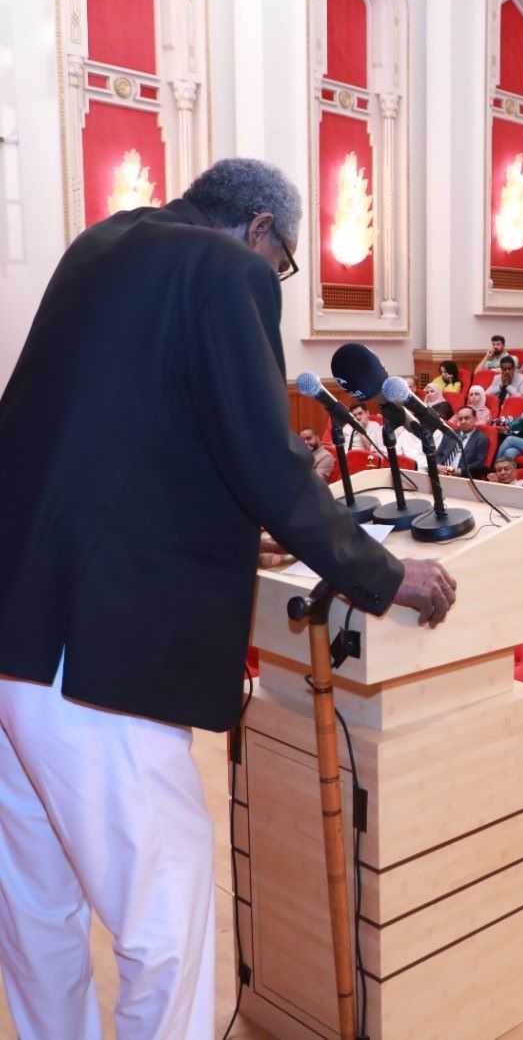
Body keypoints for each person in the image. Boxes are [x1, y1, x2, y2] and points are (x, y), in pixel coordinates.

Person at [0, 158, 454, 1040]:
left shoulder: (101, 245)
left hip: (16, 627)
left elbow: (130, 446)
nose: (274, 275)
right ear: (259, 230)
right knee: (164, 917)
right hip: (96, 654)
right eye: (283, 262)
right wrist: (381, 573)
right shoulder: (227, 268)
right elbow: (259, 449)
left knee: (38, 903)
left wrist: (237, 536)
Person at [437, 406, 491, 477]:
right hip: (440, 473)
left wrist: (459, 471)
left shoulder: (481, 439)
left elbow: (479, 464)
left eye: (467, 418)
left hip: (461, 476)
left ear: (475, 419)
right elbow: (438, 454)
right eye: (460, 419)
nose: (463, 421)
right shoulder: (450, 434)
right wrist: (437, 465)